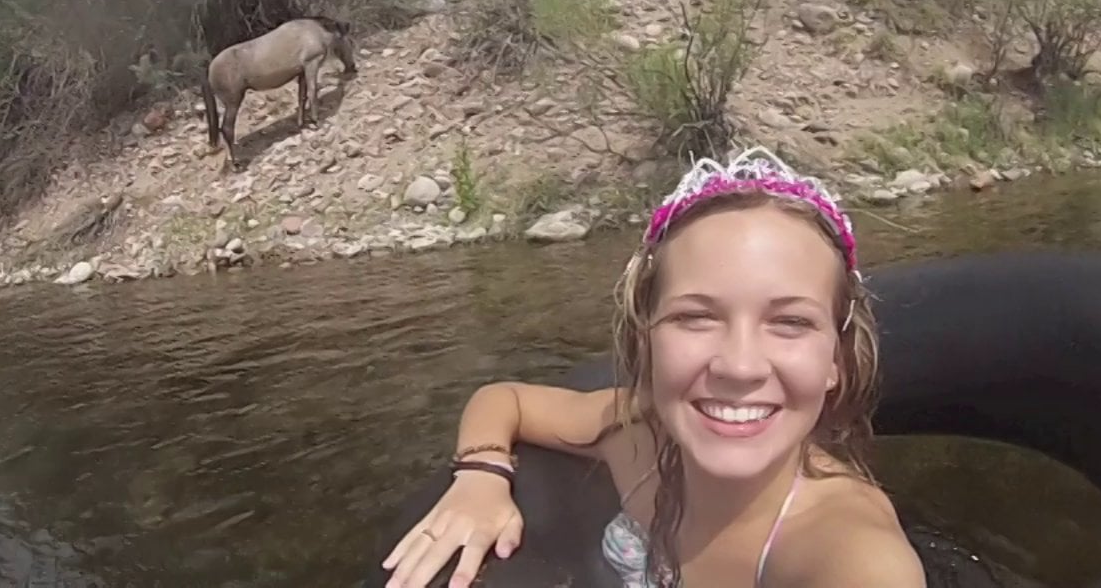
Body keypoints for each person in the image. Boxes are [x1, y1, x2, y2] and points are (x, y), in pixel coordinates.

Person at [380, 145, 927, 588]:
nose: (739, 365)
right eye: (695, 317)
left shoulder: (851, 553)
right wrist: (483, 476)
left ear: (835, 358)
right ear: (646, 338)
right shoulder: (637, 435)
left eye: (790, 323)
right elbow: (507, 400)